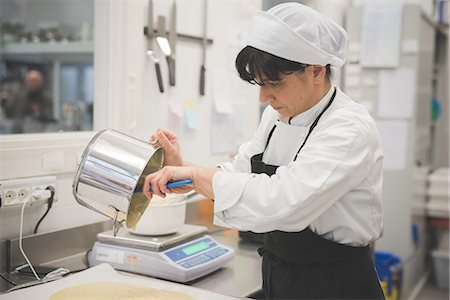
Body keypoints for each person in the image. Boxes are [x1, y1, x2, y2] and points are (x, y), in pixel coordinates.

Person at [143, 3, 384, 299]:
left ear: (316, 71)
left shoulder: (348, 128)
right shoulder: (277, 114)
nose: (262, 97)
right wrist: (183, 170)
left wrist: (197, 177)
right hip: (281, 274)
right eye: (259, 84)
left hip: (335, 282)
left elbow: (285, 202)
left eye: (274, 84)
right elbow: (240, 171)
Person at [0, 69, 54, 133]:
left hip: (40, 129)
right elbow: (10, 114)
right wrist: (6, 103)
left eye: (35, 81)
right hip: (19, 129)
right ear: (26, 81)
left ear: (41, 82)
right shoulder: (19, 96)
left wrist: (39, 114)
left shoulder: (46, 97)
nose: (33, 83)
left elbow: (50, 115)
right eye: (30, 81)